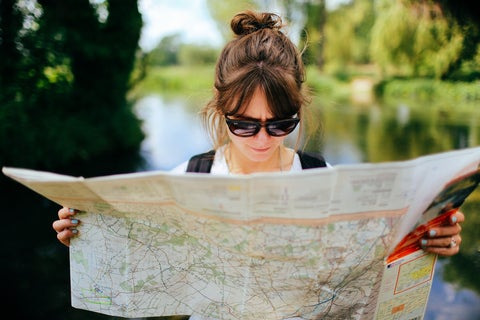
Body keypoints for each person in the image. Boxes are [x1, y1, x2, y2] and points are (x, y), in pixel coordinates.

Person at [52, 9, 465, 318]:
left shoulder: (326, 181)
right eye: (245, 125)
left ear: (299, 110)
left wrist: (429, 240)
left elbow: (373, 266)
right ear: (221, 109)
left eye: (281, 123)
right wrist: (87, 234)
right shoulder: (187, 179)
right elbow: (138, 259)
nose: (264, 140)